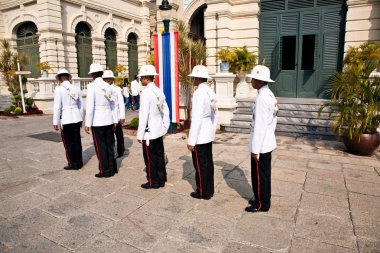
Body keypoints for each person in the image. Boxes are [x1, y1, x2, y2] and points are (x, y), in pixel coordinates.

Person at [245, 65, 278, 213]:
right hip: (267, 141)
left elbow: (260, 126)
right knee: (264, 175)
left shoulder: (262, 98)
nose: (251, 81)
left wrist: (255, 149)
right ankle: (262, 198)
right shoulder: (269, 94)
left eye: (253, 78)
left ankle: (261, 204)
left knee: (259, 175)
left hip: (261, 144)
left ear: (259, 80)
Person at [187, 65, 218, 200]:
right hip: (207, 131)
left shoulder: (199, 93)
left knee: (200, 165)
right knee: (208, 164)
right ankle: (209, 190)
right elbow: (215, 114)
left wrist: (191, 140)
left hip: (200, 134)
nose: (193, 79)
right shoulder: (210, 92)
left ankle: (202, 191)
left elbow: (197, 118)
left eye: (194, 77)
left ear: (199, 78)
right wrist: (212, 130)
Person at [136, 65, 170, 189]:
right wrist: (165, 126)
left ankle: (153, 181)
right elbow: (165, 110)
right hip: (158, 129)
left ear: (146, 78)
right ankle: (161, 179)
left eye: (141, 77)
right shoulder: (158, 91)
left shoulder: (146, 93)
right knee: (159, 155)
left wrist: (140, 134)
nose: (140, 79)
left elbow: (144, 115)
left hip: (149, 131)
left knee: (150, 158)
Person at [85, 63, 118, 178]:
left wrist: (87, 123)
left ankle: (105, 170)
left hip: (97, 121)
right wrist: (115, 120)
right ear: (101, 74)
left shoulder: (91, 86)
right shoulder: (108, 86)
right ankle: (113, 168)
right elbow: (114, 105)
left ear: (92, 75)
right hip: (108, 119)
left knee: (101, 147)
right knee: (110, 145)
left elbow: (90, 107)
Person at [53, 69, 83, 170]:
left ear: (60, 78)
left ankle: (72, 163)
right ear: (68, 77)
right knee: (77, 140)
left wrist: (55, 121)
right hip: (76, 116)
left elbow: (57, 106)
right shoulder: (76, 88)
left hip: (66, 118)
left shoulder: (59, 89)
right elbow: (80, 105)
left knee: (68, 142)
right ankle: (79, 162)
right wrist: (81, 118)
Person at [102, 70, 126, 158]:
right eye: (106, 78)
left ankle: (121, 150)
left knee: (119, 134)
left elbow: (121, 103)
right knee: (109, 136)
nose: (108, 80)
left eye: (109, 78)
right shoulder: (102, 89)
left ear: (113, 79)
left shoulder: (117, 89)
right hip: (107, 116)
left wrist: (122, 116)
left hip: (116, 114)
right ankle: (111, 151)